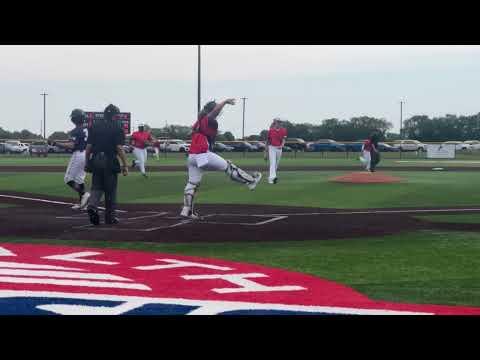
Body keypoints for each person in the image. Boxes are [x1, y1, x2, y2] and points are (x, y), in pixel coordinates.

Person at [180, 99, 262, 219]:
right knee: (228, 167)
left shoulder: (199, 121)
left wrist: (198, 132)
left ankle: (186, 210)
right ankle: (250, 181)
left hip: (192, 156)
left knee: (192, 183)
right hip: (203, 154)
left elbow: (190, 133)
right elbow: (215, 112)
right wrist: (225, 102)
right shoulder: (207, 119)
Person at [85, 104, 129, 225]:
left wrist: (87, 162)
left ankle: (92, 205)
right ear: (115, 116)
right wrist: (125, 165)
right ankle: (110, 218)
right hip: (109, 160)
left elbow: (88, 148)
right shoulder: (118, 127)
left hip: (96, 160)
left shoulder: (94, 126)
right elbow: (119, 148)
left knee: (96, 187)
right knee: (110, 190)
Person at [50, 109, 90, 210]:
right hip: (87, 154)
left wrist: (55, 144)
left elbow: (72, 145)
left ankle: (84, 194)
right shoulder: (87, 129)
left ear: (74, 119)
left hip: (78, 154)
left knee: (68, 179)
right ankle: (83, 204)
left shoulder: (75, 131)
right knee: (79, 179)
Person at [264, 118, 287, 184]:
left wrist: (282, 145)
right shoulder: (271, 131)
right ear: (275, 123)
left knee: (276, 164)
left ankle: (271, 177)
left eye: (280, 122)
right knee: (273, 163)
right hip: (272, 148)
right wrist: (265, 152)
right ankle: (272, 178)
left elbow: (283, 139)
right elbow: (267, 141)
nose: (279, 123)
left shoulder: (283, 130)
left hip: (279, 148)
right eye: (278, 122)